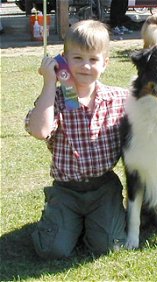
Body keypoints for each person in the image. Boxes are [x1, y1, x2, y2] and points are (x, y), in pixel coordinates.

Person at [25, 20, 128, 259]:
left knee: (109, 246)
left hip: (104, 187)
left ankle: (87, 224)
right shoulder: (56, 100)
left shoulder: (120, 98)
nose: (85, 66)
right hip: (66, 190)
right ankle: (64, 219)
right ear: (64, 59)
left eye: (93, 59)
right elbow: (40, 131)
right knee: (52, 250)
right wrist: (50, 82)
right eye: (77, 58)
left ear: (105, 63)